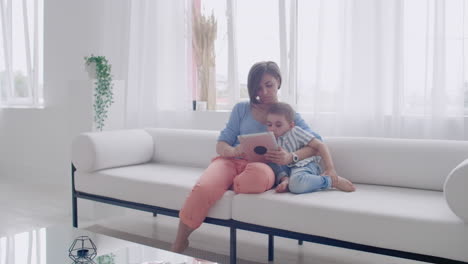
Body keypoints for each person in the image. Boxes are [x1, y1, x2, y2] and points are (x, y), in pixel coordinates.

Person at [171, 61, 321, 253]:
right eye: (258, 87)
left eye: (269, 85)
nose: (264, 92)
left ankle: (228, 182)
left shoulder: (287, 114)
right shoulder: (241, 109)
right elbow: (221, 144)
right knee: (204, 188)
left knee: (255, 178)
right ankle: (180, 242)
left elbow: (316, 144)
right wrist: (233, 151)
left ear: (278, 82)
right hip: (232, 161)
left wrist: (290, 157)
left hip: (262, 168)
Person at [266, 102, 356, 194]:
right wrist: (284, 179)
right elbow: (277, 165)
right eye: (269, 125)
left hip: (305, 165)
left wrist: (330, 168)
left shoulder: (295, 132)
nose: (272, 129)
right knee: (275, 167)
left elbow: (321, 145)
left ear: (291, 125)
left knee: (296, 185)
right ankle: (289, 181)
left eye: (278, 125)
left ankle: (330, 181)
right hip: (291, 172)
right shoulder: (272, 141)